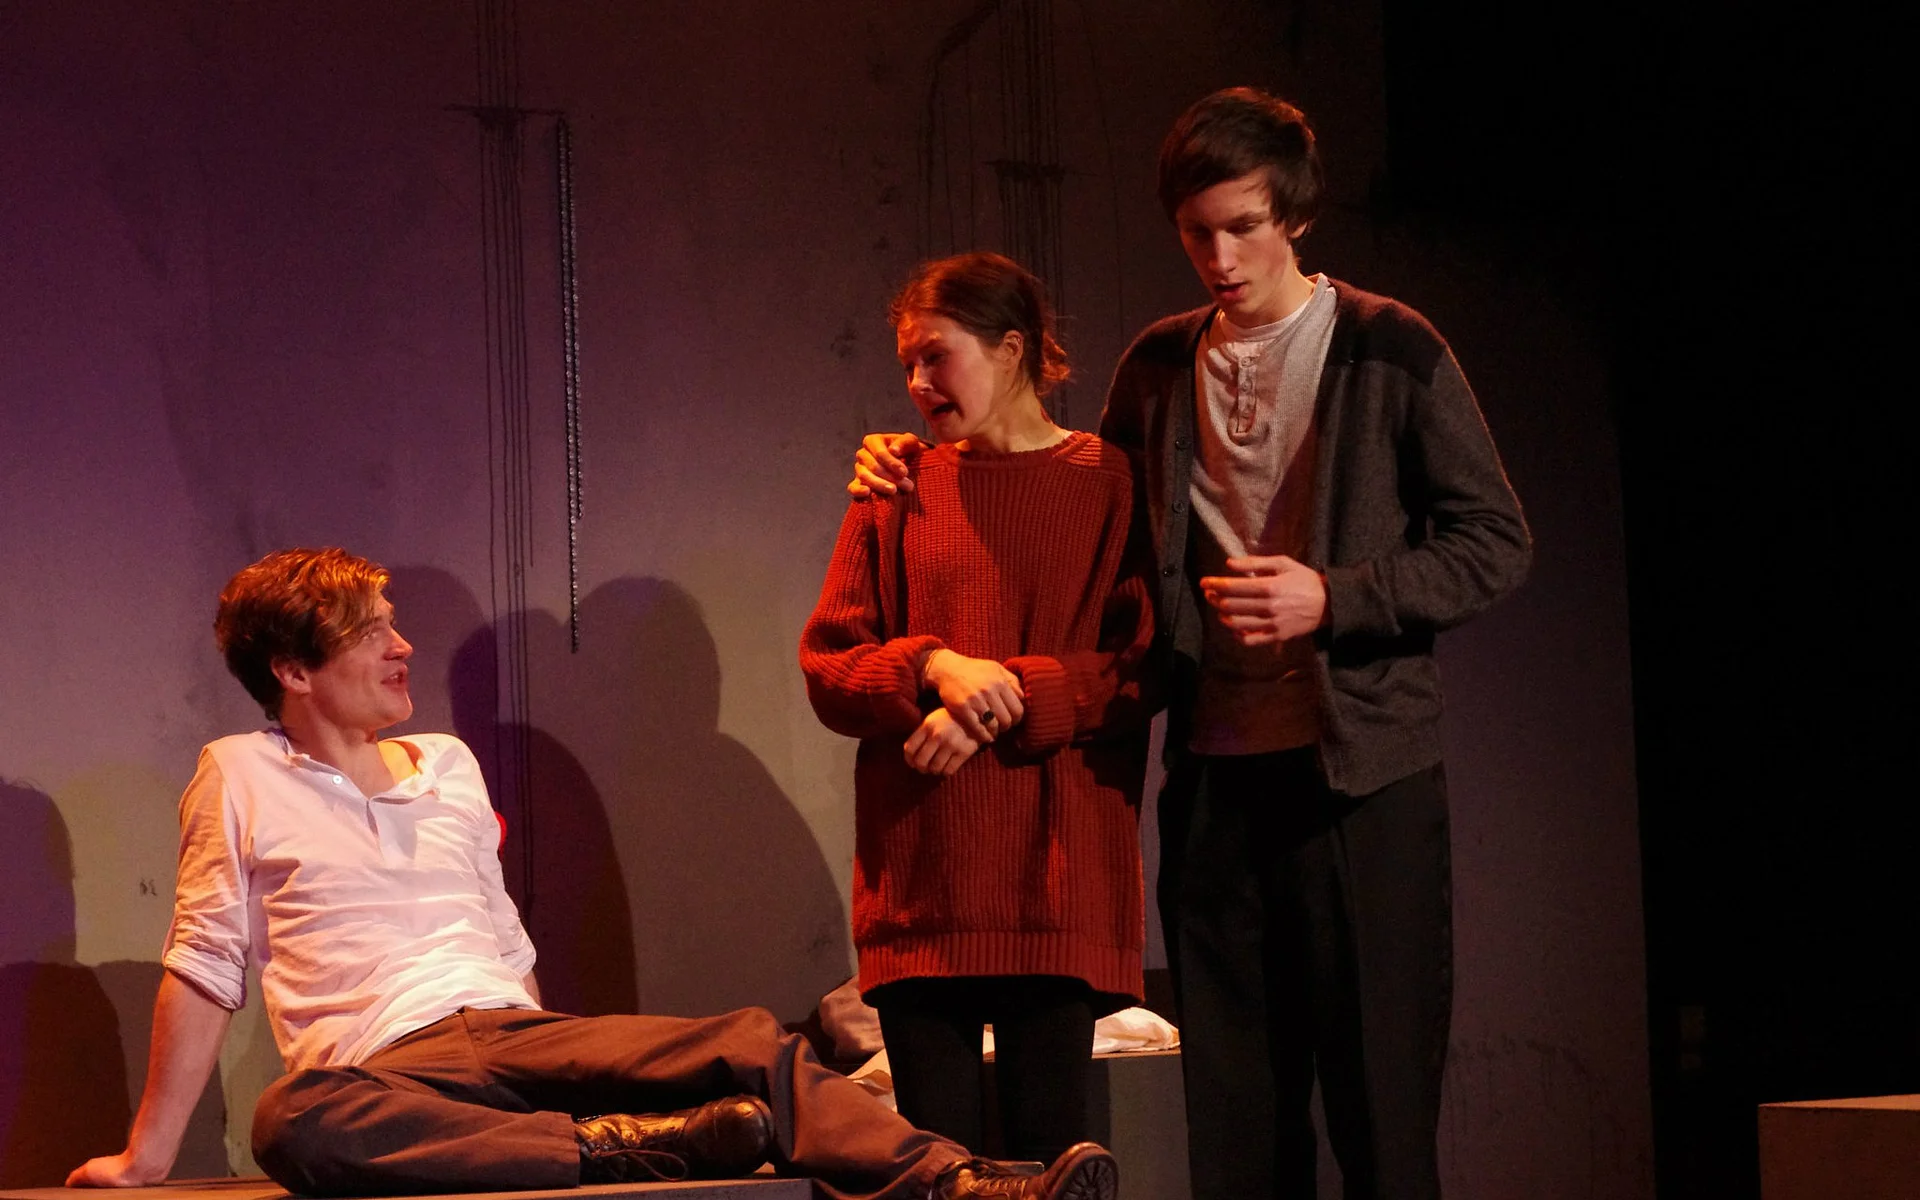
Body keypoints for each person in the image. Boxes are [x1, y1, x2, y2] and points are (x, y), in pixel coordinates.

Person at [850, 90, 1531, 1199]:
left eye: (1243, 227)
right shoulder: (1160, 366)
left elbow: (1495, 542)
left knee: (1380, 1107)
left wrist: (1336, 597)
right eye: (1196, 232)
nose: (1219, 257)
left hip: (1363, 778)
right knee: (1237, 1118)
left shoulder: (1387, 346)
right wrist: (911, 457)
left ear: (1295, 216)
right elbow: (1086, 519)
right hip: (1219, 781)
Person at [65, 547, 1118, 1200]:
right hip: (382, 1064)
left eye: (393, 624)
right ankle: (618, 1149)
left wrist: (552, 1052)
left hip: (509, 1030)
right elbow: (206, 962)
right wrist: (146, 1157)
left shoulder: (447, 762)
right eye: (369, 633)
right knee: (293, 1122)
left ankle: (961, 1181)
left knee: (753, 1040)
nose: (401, 647)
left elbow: (501, 932)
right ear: (293, 670)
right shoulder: (240, 771)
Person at [800, 253, 1156, 1167]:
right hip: (926, 888)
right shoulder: (896, 488)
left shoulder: (1106, 483)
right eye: (907, 364)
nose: (918, 383)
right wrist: (934, 665)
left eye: (937, 356)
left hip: (1052, 885)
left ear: (1012, 349)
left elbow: (1139, 666)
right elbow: (829, 667)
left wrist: (1002, 698)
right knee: (939, 1173)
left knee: (1051, 1163)